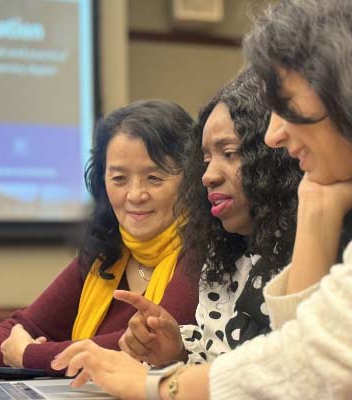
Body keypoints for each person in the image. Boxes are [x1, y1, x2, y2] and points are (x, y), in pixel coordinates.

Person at [51, 0, 352, 399]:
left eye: (285, 106)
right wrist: (317, 202)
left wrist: (159, 386)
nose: (274, 137)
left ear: (349, 88)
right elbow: (306, 350)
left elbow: (316, 364)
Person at [0, 100, 201, 382]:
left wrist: (30, 355)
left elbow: (137, 345)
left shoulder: (205, 252)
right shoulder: (105, 254)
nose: (134, 194)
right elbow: (25, 325)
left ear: (191, 180)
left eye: (154, 178)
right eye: (119, 179)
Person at [116, 69, 302, 367]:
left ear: (275, 157)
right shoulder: (224, 253)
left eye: (229, 153)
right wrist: (176, 352)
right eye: (205, 160)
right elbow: (215, 358)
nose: (208, 176)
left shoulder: (311, 250)